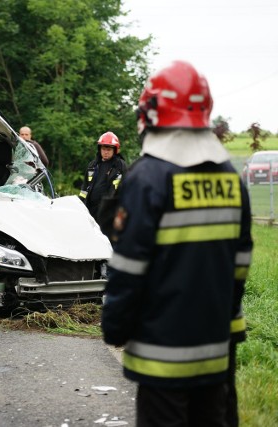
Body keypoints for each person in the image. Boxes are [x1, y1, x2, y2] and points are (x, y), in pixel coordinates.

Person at [101, 60, 253, 426]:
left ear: (152, 112)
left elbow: (128, 267)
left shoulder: (148, 177)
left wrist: (115, 327)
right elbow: (241, 261)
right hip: (216, 351)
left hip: (160, 354)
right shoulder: (231, 177)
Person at [79, 131, 127, 222]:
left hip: (109, 212)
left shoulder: (120, 166)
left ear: (115, 150)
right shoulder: (93, 165)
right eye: (103, 149)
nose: (106, 152)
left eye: (109, 150)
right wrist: (80, 204)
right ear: (99, 149)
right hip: (90, 210)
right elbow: (84, 188)